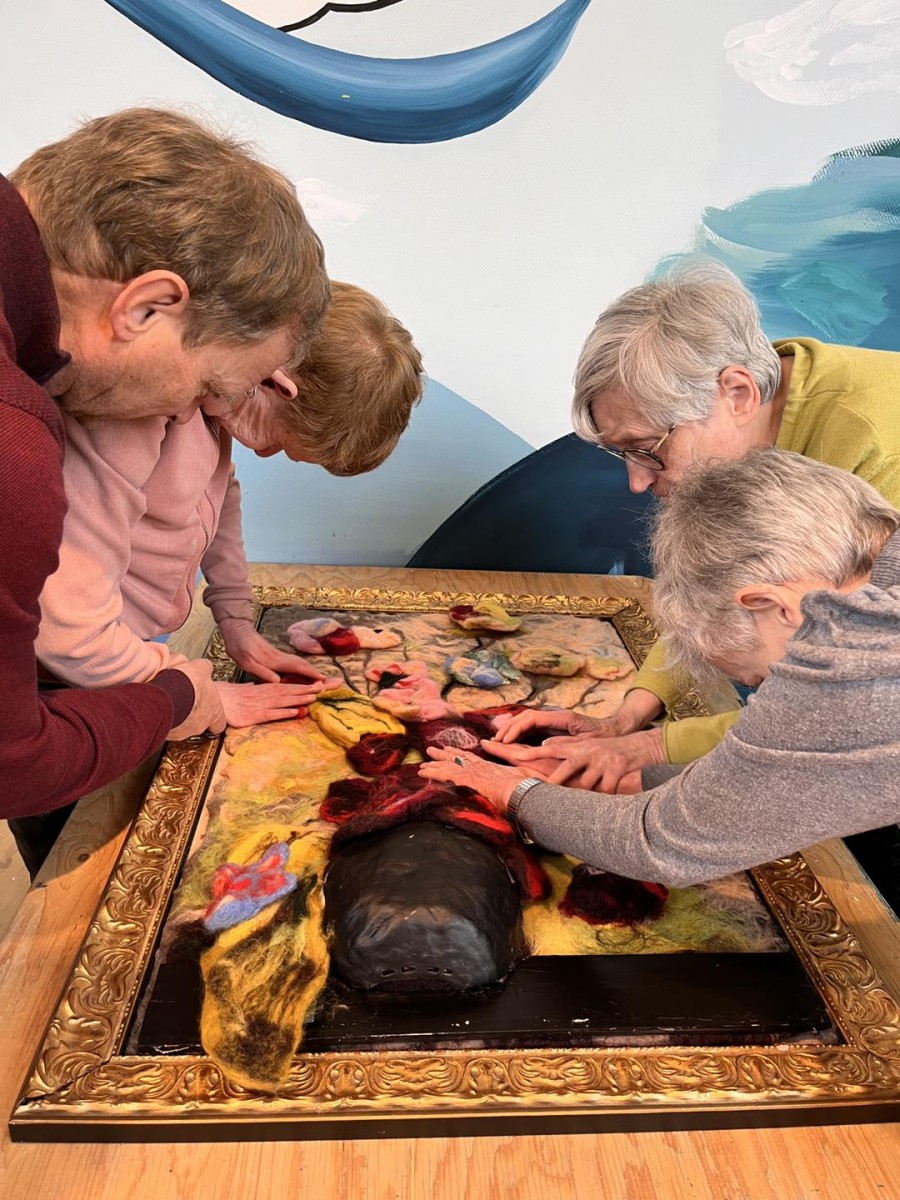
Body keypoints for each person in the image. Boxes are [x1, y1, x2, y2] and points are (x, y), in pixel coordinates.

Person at [1, 107, 329, 874]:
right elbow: (14, 763)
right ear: (146, 307)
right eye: (209, 386)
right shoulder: (14, 446)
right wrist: (181, 698)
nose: (193, 415)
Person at [495, 260, 900, 789]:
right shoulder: (750, 406)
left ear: (737, 393)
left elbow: (843, 706)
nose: (639, 483)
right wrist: (625, 718)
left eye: (647, 451)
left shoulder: (876, 450)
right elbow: (711, 593)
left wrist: (647, 747)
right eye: (625, 456)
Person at [420, 450, 900, 886]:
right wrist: (639, 766)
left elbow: (658, 844)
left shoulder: (852, 667)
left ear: (775, 606)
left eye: (761, 683)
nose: (764, 697)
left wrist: (512, 791)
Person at [34, 282, 425, 727]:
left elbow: (218, 497)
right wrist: (190, 696)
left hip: (121, 652)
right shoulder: (140, 409)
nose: (265, 454)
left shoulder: (215, 407)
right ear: (272, 383)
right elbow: (66, 632)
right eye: (280, 441)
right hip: (57, 674)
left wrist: (237, 623)